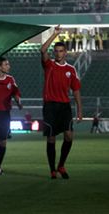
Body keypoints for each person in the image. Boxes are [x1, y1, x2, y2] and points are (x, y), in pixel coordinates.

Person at [40, 25, 82, 179]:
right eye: (56, 51)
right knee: (51, 137)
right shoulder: (49, 65)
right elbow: (43, 50)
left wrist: (79, 110)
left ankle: (61, 165)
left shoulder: (71, 70)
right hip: (50, 106)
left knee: (69, 136)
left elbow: (76, 90)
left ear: (65, 53)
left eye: (61, 51)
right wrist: (54, 35)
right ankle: (52, 169)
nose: (58, 53)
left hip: (65, 106)